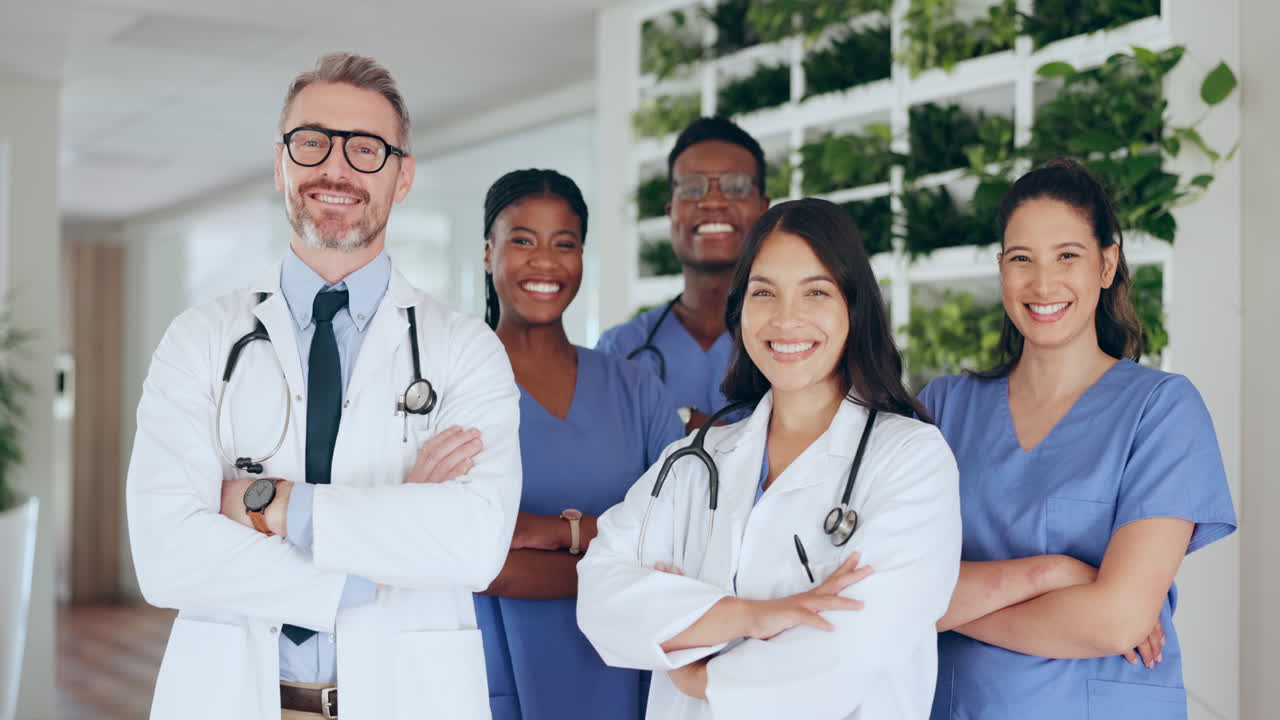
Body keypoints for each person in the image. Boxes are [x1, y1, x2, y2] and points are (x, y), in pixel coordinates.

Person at [126, 52, 521, 720]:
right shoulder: (198, 340)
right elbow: (165, 557)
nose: (335, 169)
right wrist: (386, 544)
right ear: (281, 162)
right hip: (231, 696)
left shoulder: (464, 350)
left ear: (402, 178)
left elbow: (475, 543)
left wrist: (271, 506)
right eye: (312, 143)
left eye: (366, 148)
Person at [578, 198, 962, 719]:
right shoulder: (694, 459)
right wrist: (754, 617)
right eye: (764, 293)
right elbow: (601, 599)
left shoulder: (910, 458)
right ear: (740, 311)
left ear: (855, 307)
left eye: (816, 292)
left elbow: (855, 649)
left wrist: (699, 673)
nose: (786, 318)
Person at [920, 158, 1237, 719]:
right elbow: (886, 583)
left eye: (1067, 256)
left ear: (1106, 264)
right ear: (1001, 270)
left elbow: (1116, 620)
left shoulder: (1161, 411)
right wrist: (1055, 573)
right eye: (1022, 259)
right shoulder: (944, 408)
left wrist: (939, 608)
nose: (1043, 283)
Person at [465, 168, 686, 720]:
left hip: (627, 673)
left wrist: (544, 531)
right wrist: (608, 548)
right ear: (488, 251)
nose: (545, 262)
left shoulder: (636, 389)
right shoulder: (454, 386)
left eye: (564, 244)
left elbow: (679, 543)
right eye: (522, 241)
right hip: (494, 672)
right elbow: (465, 559)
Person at [596, 116, 771, 428]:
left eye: (736, 187)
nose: (713, 201)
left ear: (763, 210)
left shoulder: (796, 337)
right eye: (692, 188)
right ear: (671, 212)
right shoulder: (621, 350)